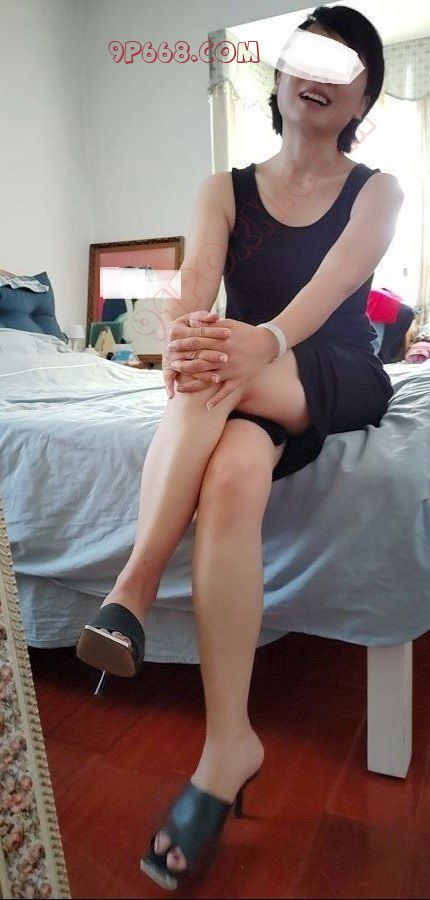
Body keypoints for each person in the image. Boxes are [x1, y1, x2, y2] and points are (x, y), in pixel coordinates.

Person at [76, 4, 403, 890]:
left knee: (216, 366)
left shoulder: (378, 191)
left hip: (330, 365)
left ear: (363, 98)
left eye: (345, 68)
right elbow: (195, 288)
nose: (321, 77)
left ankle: (134, 587)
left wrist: (257, 342)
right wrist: (187, 333)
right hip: (242, 383)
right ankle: (228, 749)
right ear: (281, 74)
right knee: (231, 472)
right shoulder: (224, 189)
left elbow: (332, 288)